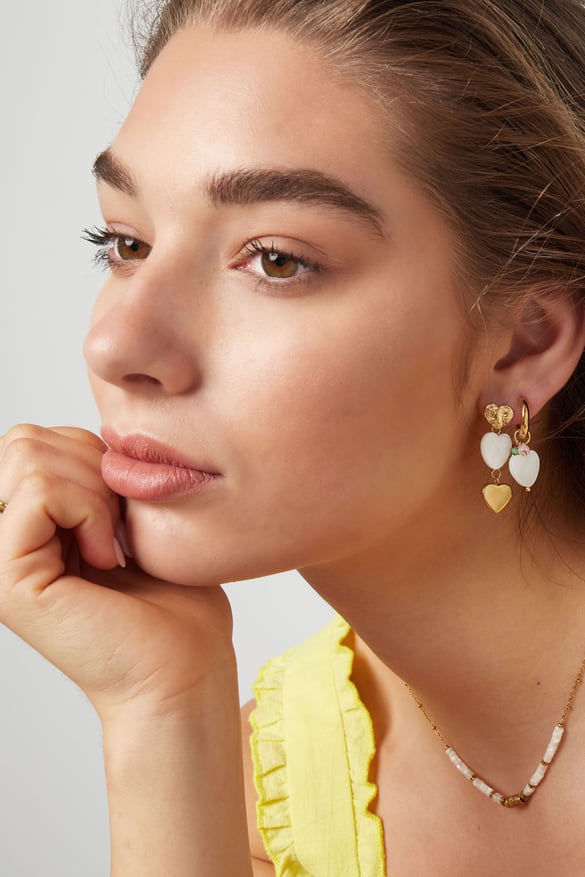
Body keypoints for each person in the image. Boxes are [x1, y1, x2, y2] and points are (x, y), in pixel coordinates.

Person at [2, 0, 585, 873]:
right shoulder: (260, 792)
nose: (115, 345)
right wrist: (162, 711)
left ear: (523, 342)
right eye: (125, 242)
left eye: (275, 260)